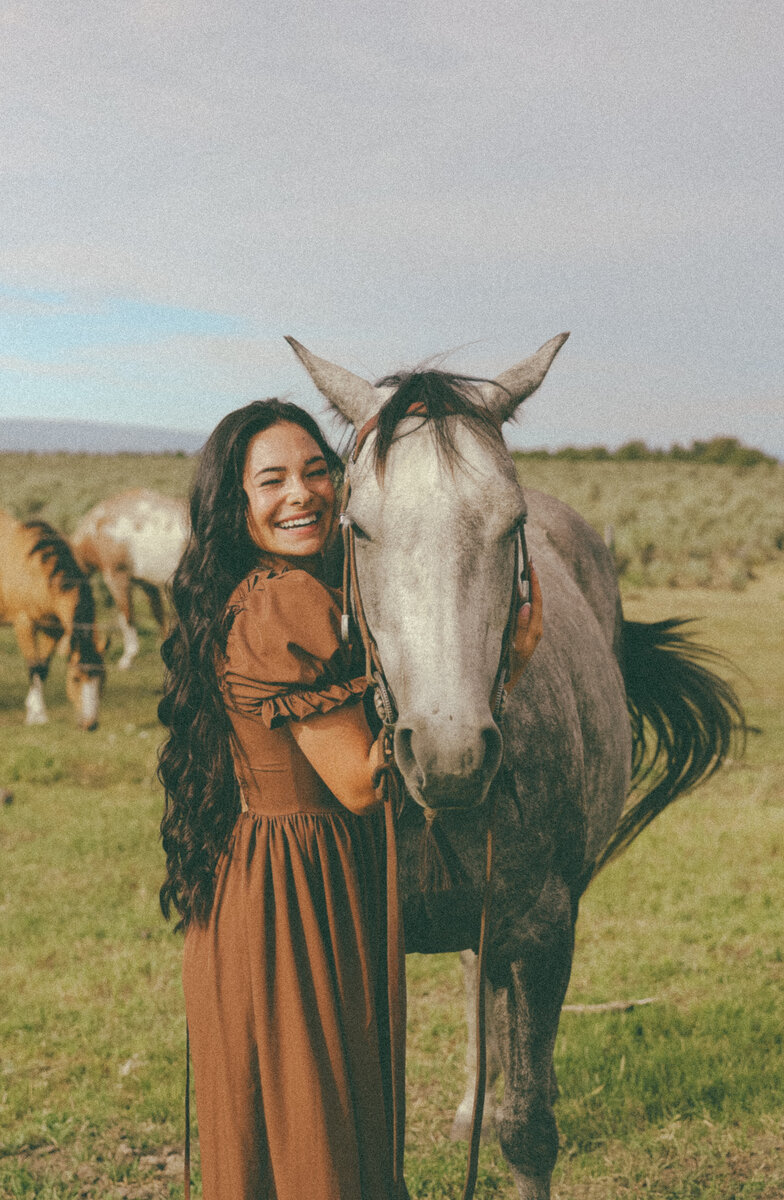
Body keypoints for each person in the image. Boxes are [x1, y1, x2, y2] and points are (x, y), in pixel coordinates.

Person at [158, 398, 542, 1200]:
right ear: (236, 502)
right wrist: (504, 672)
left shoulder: (255, 586)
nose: (301, 493)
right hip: (299, 895)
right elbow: (364, 785)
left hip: (250, 888)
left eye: (316, 470)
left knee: (275, 1135)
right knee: (319, 1134)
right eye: (271, 480)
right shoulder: (285, 602)